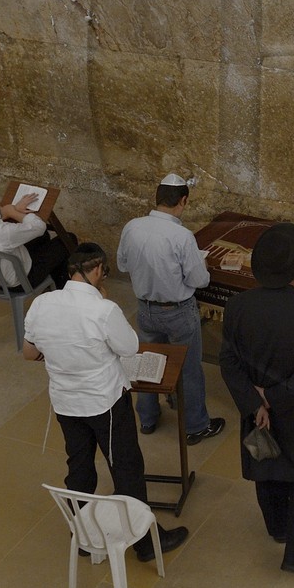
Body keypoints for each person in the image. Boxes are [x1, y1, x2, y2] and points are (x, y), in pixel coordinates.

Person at [22, 243, 189, 564]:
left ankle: (83, 537)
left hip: (65, 403)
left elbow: (30, 352)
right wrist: (106, 304)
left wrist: (57, 352)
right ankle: (144, 544)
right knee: (126, 468)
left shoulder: (42, 303)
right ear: (97, 270)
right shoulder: (103, 310)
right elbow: (127, 348)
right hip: (105, 403)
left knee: (80, 466)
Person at [219, 223, 294, 575]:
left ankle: (277, 528)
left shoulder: (239, 305)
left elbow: (228, 362)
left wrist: (256, 403)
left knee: (268, 468)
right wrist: (272, 398)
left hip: (258, 414)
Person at [116, 173, 225, 443]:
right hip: (178, 312)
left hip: (145, 309)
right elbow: (199, 280)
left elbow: (122, 265)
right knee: (188, 367)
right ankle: (196, 425)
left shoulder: (132, 227)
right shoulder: (182, 236)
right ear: (183, 201)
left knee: (150, 362)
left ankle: (148, 418)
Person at [0, 186, 69, 290]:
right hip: (20, 283)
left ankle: (52, 277)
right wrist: (15, 212)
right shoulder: (3, 232)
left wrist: (11, 209)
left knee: (42, 237)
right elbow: (39, 227)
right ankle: (61, 284)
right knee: (67, 239)